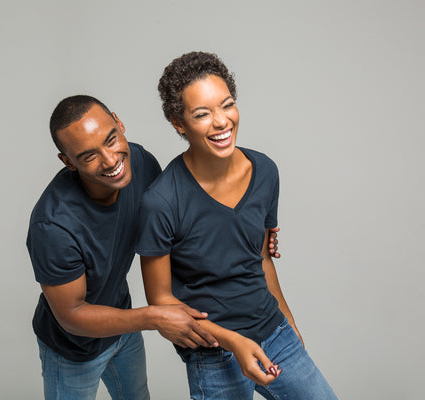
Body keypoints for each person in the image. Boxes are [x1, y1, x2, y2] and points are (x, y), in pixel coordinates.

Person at [27, 94, 282, 399]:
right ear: (68, 161)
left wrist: (250, 233)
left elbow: (175, 228)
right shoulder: (53, 226)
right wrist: (152, 316)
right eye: (89, 156)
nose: (110, 161)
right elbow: (72, 314)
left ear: (119, 123)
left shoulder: (141, 163)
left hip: (121, 322)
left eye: (111, 140)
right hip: (72, 348)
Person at [136, 52, 337, 399]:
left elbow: (261, 259)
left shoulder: (265, 171)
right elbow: (162, 304)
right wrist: (232, 341)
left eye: (227, 105)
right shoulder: (162, 201)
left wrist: (288, 324)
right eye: (202, 114)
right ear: (178, 123)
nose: (221, 122)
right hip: (213, 353)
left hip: (274, 333)